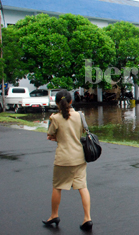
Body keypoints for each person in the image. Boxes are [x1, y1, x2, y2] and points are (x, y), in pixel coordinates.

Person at [44, 90, 93, 231]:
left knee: (57, 187)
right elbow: (84, 132)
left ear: (57, 103)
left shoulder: (55, 118)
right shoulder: (80, 115)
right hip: (79, 157)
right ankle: (87, 218)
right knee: (83, 187)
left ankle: (54, 215)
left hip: (63, 159)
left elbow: (50, 136)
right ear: (71, 101)